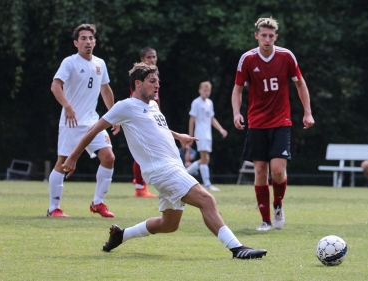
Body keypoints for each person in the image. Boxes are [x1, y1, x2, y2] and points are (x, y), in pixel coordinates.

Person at [61, 62, 267, 259]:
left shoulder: (152, 106)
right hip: (163, 170)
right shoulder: (125, 106)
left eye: (157, 81)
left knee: (169, 224)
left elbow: (157, 129)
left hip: (172, 167)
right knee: (207, 200)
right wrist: (72, 157)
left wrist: (179, 136)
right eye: (152, 80)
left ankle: (121, 235)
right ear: (138, 84)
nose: (157, 84)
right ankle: (237, 248)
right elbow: (93, 129)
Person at [231, 17, 315, 231]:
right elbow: (238, 88)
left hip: (281, 120)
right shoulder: (247, 59)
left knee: (277, 170)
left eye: (271, 36)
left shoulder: (286, 56)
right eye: (263, 35)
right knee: (260, 170)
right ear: (256, 35)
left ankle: (277, 205)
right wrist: (236, 113)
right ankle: (266, 220)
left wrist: (307, 112)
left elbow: (300, 83)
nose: (267, 40)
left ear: (276, 37)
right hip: (257, 122)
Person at [47, 23, 117, 218]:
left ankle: (98, 203)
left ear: (95, 42)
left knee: (109, 157)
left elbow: (105, 89)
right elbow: (55, 86)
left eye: (91, 38)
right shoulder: (70, 62)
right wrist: (68, 106)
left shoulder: (100, 64)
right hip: (71, 122)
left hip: (93, 122)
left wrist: (113, 115)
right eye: (84, 38)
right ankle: (53, 208)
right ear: (76, 42)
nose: (88, 42)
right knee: (62, 163)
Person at [185, 81, 227, 191]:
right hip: (200, 133)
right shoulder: (196, 102)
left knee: (205, 160)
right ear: (200, 91)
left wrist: (221, 129)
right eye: (204, 90)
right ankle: (207, 185)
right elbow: (192, 119)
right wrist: (190, 135)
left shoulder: (210, 103)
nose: (206, 93)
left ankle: (184, 175)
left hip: (208, 134)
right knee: (205, 158)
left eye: (208, 91)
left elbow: (212, 119)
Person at [131, 46, 159, 198]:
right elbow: (135, 99)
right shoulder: (140, 78)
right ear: (142, 60)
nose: (152, 60)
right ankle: (140, 187)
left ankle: (140, 183)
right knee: (140, 154)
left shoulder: (153, 76)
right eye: (149, 57)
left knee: (145, 153)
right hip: (141, 118)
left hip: (150, 117)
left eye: (154, 57)